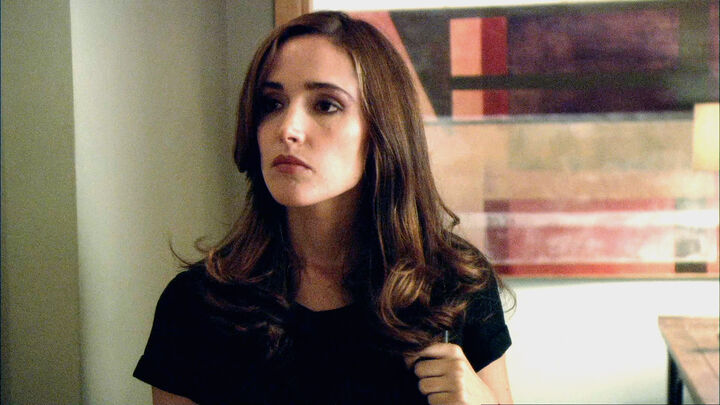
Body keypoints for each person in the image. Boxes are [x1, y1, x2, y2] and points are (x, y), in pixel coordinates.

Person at [134, 11, 514, 405]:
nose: (288, 129)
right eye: (272, 103)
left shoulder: (455, 285)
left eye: (326, 105)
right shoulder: (197, 305)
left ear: (382, 129)